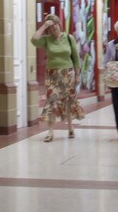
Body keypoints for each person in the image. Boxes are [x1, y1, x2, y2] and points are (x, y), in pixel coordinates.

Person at [32, 10, 83, 141]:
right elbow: (34, 40)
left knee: (68, 101)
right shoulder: (47, 39)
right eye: (51, 25)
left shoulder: (69, 38)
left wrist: (77, 75)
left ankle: (70, 127)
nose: (54, 26)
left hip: (68, 74)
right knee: (51, 101)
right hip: (52, 75)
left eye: (56, 23)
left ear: (59, 24)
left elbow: (76, 58)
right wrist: (44, 25)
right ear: (49, 28)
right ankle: (50, 132)